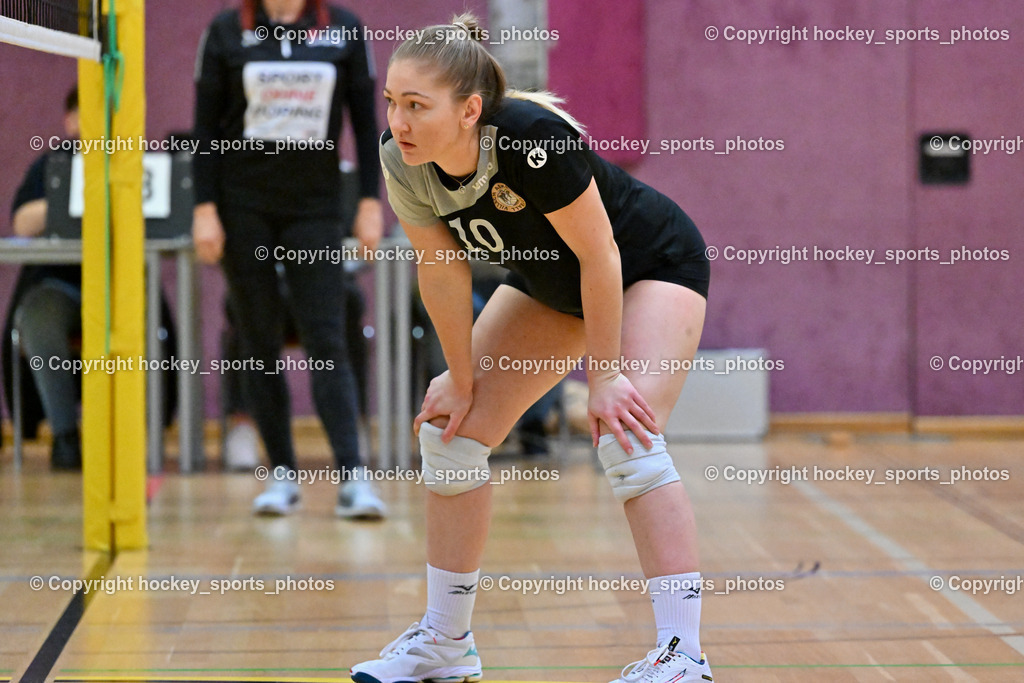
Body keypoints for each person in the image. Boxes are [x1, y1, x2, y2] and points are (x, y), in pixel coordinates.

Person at [351, 13, 713, 683]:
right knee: (449, 432)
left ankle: (683, 653)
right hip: (552, 283)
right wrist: (460, 378)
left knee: (626, 433)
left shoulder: (530, 138)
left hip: (648, 266)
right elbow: (442, 269)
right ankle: (445, 641)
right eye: (393, 103)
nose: (399, 121)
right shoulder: (403, 160)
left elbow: (600, 254)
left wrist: (604, 377)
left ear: (470, 110)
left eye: (417, 105)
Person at [192, 0, 385, 518]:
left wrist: (370, 202)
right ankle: (281, 474)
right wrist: (204, 208)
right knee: (258, 340)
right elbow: (204, 131)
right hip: (243, 208)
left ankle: (353, 477)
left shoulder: (342, 29)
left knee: (327, 337)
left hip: (315, 210)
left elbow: (367, 124)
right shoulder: (225, 31)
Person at [2, 88, 178, 470]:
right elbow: (22, 223)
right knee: (37, 318)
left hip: (124, 288)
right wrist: (80, 193)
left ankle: (138, 436)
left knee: (146, 320)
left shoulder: (136, 165)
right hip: (62, 287)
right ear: (70, 122)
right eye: (89, 113)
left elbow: (168, 221)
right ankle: (65, 436)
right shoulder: (50, 164)